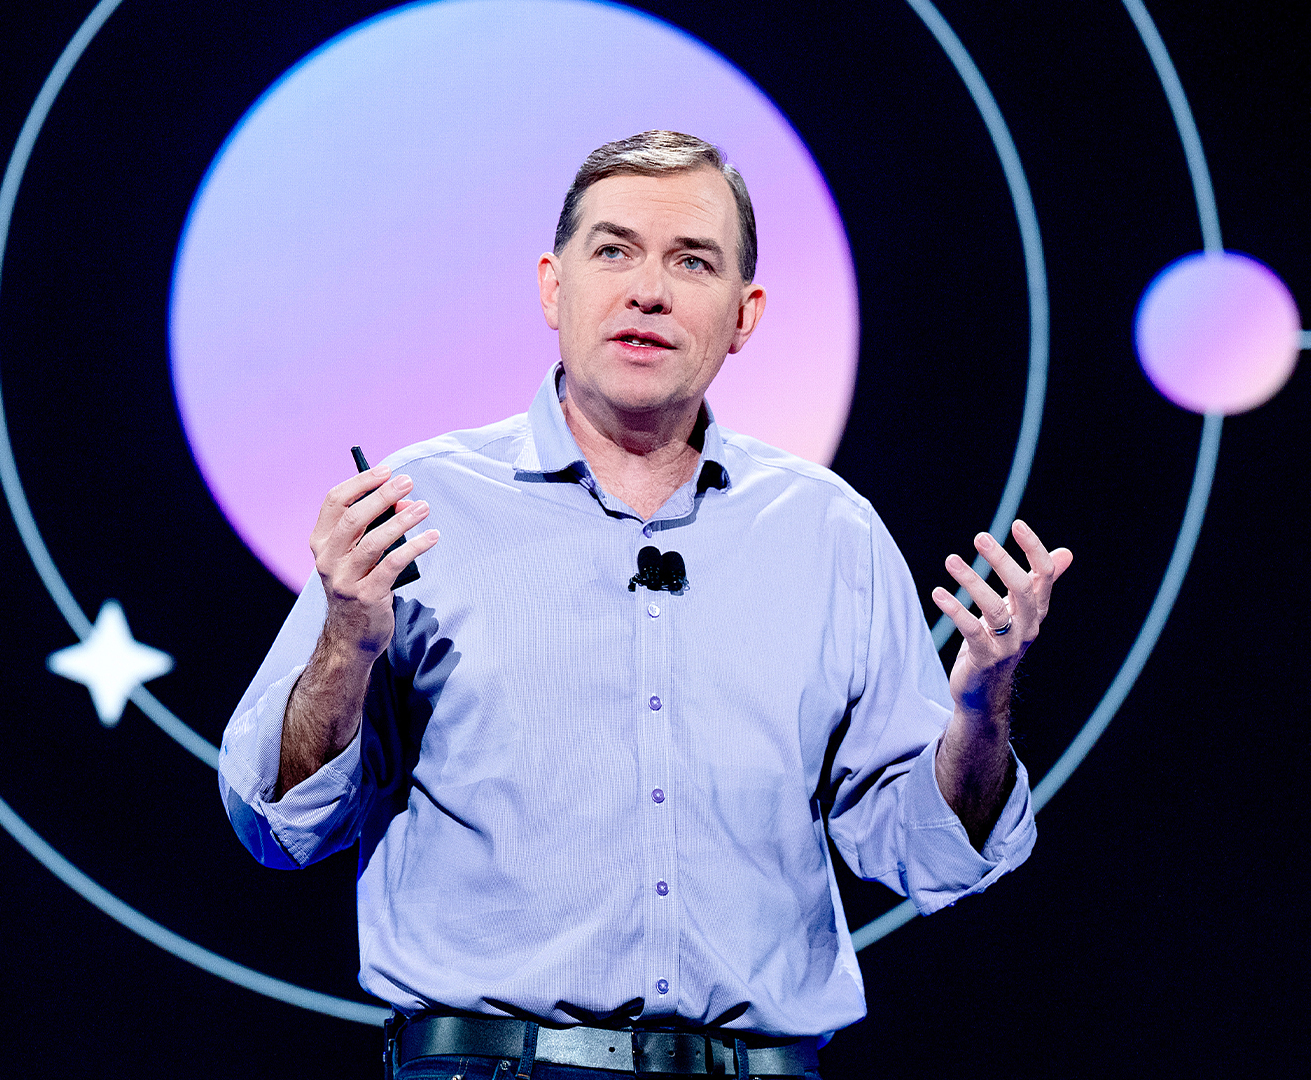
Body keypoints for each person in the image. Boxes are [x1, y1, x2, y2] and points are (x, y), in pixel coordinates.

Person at [219, 130, 1073, 1079]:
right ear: (553, 286)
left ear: (746, 315)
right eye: (613, 251)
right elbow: (276, 824)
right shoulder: (418, 508)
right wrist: (345, 644)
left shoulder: (829, 531)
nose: (648, 290)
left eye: (692, 261)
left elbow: (926, 854)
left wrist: (980, 704)